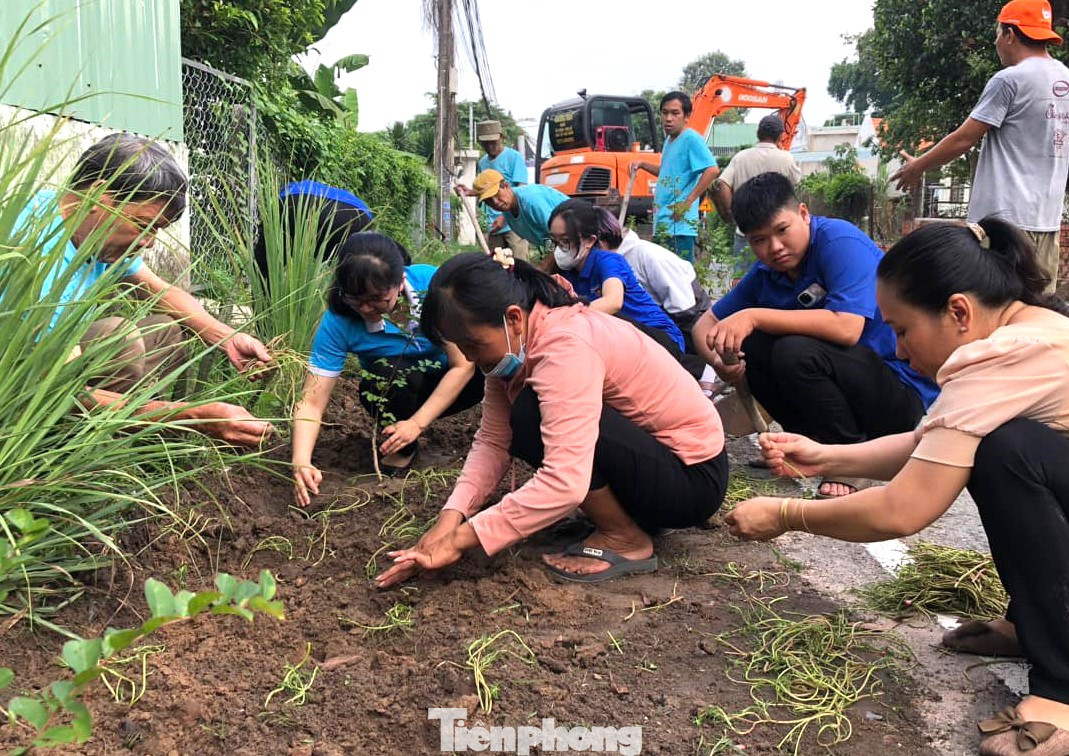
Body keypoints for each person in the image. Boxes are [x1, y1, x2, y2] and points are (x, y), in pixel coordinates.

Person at [726, 217, 1069, 756]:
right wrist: (823, 457)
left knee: (1008, 454)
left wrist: (787, 517)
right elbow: (933, 444)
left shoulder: (1002, 357)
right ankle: (1034, 625)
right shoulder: (1023, 332)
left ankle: (1063, 686)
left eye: (903, 330)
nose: (901, 352)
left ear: (958, 311)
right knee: (995, 448)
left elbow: (904, 510)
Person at [374, 252, 727, 588]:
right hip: (656, 463)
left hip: (691, 480)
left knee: (530, 414)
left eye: (473, 343)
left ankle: (624, 538)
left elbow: (565, 481)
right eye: (459, 346)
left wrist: (462, 540)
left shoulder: (564, 345)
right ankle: (628, 516)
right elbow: (493, 441)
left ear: (512, 318)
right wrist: (449, 520)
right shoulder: (515, 345)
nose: (469, 357)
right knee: (524, 417)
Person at [18, 134, 274, 447]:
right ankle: (73, 458)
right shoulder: (32, 252)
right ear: (100, 196)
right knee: (120, 337)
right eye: (144, 224)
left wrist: (228, 338)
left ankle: (134, 437)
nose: (150, 241)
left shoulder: (89, 230)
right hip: (24, 393)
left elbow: (159, 289)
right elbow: (60, 391)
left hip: (60, 365)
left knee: (164, 328)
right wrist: (195, 417)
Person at [692, 172, 939, 497]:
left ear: (804, 214)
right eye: (759, 240)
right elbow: (704, 324)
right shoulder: (768, 272)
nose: (775, 248)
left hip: (896, 394)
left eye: (782, 230)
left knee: (793, 350)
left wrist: (752, 316)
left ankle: (852, 459)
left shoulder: (840, 243)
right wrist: (721, 362)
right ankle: (808, 448)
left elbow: (847, 328)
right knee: (755, 347)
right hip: (845, 390)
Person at [891, 0, 1069, 293]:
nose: (996, 42)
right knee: (1037, 315)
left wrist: (918, 166)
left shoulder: (1010, 79)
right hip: (1047, 221)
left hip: (1003, 224)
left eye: (998, 34)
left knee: (994, 309)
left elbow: (964, 138)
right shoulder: (1064, 76)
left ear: (1011, 34)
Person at [292, 233, 482, 502]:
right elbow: (311, 402)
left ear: (400, 280)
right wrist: (301, 460)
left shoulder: (432, 287)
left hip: (460, 382)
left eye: (377, 298)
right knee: (389, 372)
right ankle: (404, 448)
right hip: (393, 392)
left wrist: (416, 423)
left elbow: (463, 366)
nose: (366, 308)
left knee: (485, 365)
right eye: (355, 300)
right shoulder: (338, 320)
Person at [549, 199, 686, 352]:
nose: (559, 249)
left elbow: (613, 302)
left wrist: (565, 318)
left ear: (590, 240)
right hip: (626, 338)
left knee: (594, 323)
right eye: (554, 242)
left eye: (565, 241)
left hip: (661, 339)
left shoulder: (608, 261)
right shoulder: (568, 272)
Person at [630, 91, 719, 263]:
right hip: (663, 223)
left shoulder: (691, 138)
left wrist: (686, 204)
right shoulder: (669, 141)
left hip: (680, 226)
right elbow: (666, 172)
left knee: (681, 280)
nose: (668, 118)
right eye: (665, 113)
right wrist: (642, 164)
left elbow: (712, 170)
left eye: (675, 113)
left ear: (686, 116)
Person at [713, 114, 802, 277]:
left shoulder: (741, 157)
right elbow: (796, 186)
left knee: (741, 280)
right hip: (777, 233)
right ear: (780, 136)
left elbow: (721, 184)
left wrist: (731, 213)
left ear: (758, 133)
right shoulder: (785, 158)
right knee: (776, 280)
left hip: (746, 231)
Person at [253, 179, 375, 285]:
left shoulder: (288, 190)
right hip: (357, 214)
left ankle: (263, 307)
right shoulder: (354, 201)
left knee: (266, 266)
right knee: (352, 278)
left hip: (297, 201)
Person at [459, 120, 530, 260]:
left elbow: (521, 190)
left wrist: (504, 217)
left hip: (513, 225)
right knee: (497, 266)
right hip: (494, 226)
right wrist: (469, 192)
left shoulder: (514, 157)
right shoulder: (483, 162)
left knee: (520, 265)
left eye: (494, 142)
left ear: (501, 137)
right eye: (486, 143)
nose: (490, 146)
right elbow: (487, 190)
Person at [471, 168, 568, 250]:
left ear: (506, 185)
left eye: (496, 194)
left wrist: (545, 265)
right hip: (565, 248)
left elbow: (564, 238)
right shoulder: (507, 209)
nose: (495, 202)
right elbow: (550, 242)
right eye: (488, 201)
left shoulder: (531, 201)